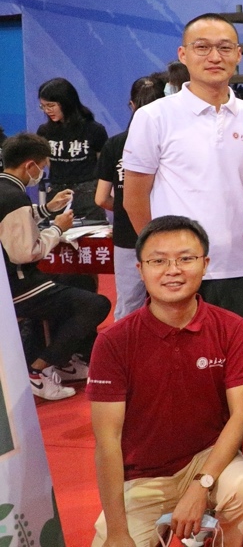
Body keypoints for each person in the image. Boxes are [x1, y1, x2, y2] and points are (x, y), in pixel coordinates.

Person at [88, 215, 243, 547]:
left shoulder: (231, 327)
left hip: (207, 460)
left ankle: (216, 538)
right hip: (141, 479)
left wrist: (201, 484)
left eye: (185, 258)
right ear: (140, 270)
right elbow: (107, 442)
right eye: (158, 261)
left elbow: (241, 414)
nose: (173, 270)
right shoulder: (114, 341)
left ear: (205, 264)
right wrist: (118, 532)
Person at [123, 13, 243, 336]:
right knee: (175, 358)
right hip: (177, 272)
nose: (214, 57)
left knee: (237, 358)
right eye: (202, 47)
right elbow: (134, 198)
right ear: (183, 54)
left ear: (238, 55)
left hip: (238, 266)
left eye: (224, 48)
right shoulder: (153, 117)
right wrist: (160, 257)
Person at [2, 133, 110, 400]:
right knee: (97, 305)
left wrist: (48, 209)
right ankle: (36, 370)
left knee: (76, 282)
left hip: (14, 281)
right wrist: (57, 229)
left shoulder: (7, 190)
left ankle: (63, 361)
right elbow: (25, 253)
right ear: (30, 165)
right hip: (16, 286)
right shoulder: (14, 197)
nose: (42, 172)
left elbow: (16, 222)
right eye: (42, 166)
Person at [95, 73, 167, 320]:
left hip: (127, 236)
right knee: (172, 303)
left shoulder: (115, 144)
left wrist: (126, 208)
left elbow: (101, 198)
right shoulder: (172, 141)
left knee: (128, 308)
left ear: (132, 104)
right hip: (168, 234)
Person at [37, 77, 109, 223]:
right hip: (57, 196)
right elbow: (47, 163)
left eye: (51, 105)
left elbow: (103, 166)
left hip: (89, 197)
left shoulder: (94, 130)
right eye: (43, 106)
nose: (47, 110)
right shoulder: (44, 132)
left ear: (66, 102)